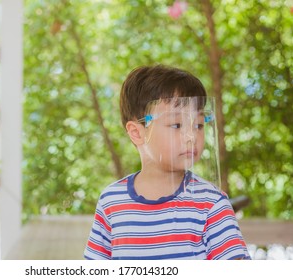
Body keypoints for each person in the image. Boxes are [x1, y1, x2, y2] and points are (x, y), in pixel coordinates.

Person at [84, 65, 250, 260]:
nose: (191, 136)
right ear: (137, 132)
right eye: (177, 125)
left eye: (198, 125)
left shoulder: (211, 203)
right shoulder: (111, 202)